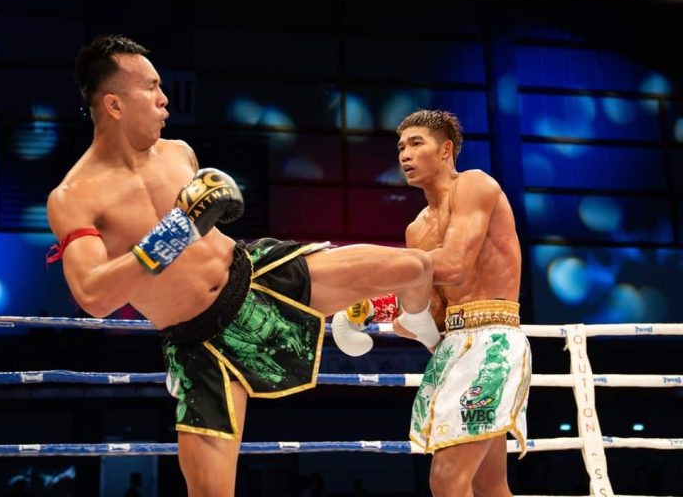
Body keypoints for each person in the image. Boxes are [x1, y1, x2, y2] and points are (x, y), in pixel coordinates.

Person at [46, 34, 436, 496]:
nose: (164, 98)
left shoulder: (179, 153)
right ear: (114, 104)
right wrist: (175, 233)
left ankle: (398, 320)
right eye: (151, 87)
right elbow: (93, 296)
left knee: (414, 266)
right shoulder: (74, 197)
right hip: (200, 343)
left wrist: (189, 226)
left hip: (255, 279)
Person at [332, 110, 531, 497]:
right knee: (490, 485)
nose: (404, 154)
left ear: (445, 150)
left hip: (492, 343)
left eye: (416, 143)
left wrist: (367, 272)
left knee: (446, 478)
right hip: (451, 347)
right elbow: (433, 311)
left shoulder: (474, 184)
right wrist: (380, 307)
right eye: (400, 147)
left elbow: (454, 265)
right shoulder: (417, 229)